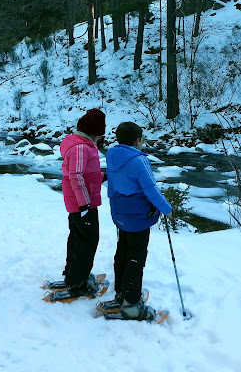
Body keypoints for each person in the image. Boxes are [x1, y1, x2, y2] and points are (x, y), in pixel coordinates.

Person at [101, 121, 172, 320]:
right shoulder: (139, 161)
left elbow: (112, 186)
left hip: (120, 215)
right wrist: (166, 209)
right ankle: (132, 304)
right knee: (135, 257)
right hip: (138, 218)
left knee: (123, 252)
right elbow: (151, 189)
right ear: (137, 140)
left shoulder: (112, 155)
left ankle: (121, 293)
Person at [59, 108, 106, 297]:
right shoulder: (81, 147)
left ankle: (74, 276)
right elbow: (76, 175)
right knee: (86, 242)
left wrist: (102, 176)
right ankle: (78, 283)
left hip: (83, 202)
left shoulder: (84, 145)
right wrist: (84, 204)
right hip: (83, 205)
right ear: (95, 131)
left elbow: (87, 173)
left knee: (79, 240)